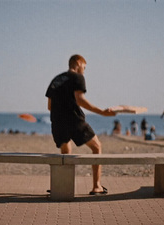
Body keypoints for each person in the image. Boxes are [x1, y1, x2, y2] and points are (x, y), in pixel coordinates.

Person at [45, 54, 116, 195]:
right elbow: (80, 100)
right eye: (84, 67)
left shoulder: (56, 80)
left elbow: (49, 106)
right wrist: (101, 112)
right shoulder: (77, 77)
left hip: (57, 123)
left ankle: (62, 186)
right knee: (97, 147)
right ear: (78, 63)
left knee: (66, 153)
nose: (84, 70)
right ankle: (97, 186)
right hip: (75, 121)